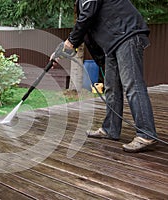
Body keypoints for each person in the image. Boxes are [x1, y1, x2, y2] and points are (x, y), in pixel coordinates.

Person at [64, 0, 158, 152]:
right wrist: (61, 51)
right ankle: (110, 129)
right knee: (111, 88)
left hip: (127, 35)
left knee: (132, 85)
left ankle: (146, 134)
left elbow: (87, 16)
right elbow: (87, 30)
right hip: (113, 43)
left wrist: (71, 41)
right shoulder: (80, 2)